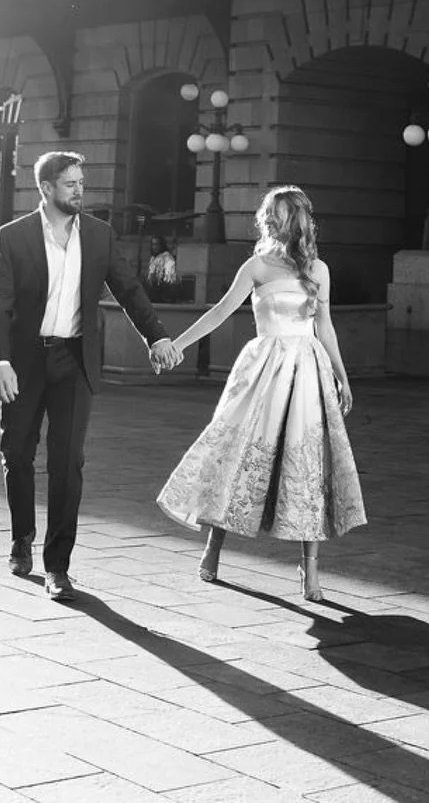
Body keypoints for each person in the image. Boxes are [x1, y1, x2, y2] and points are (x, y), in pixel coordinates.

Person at [0, 150, 183, 601]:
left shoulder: (98, 235)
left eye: (81, 182)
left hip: (74, 361)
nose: (79, 190)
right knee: (16, 452)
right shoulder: (13, 236)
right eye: (70, 183)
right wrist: (0, 360)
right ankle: (21, 537)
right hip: (25, 360)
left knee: (68, 462)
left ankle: (58, 566)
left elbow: (129, 289)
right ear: (46, 188)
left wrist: (157, 337)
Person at [157, 184, 365, 602]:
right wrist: (178, 343)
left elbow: (324, 326)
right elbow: (219, 311)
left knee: (308, 464)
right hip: (264, 370)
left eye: (278, 213)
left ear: (296, 220)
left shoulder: (318, 270)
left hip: (307, 370)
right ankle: (213, 550)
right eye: (267, 213)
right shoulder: (256, 266)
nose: (269, 219)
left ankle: (310, 574)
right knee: (238, 453)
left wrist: (342, 375)